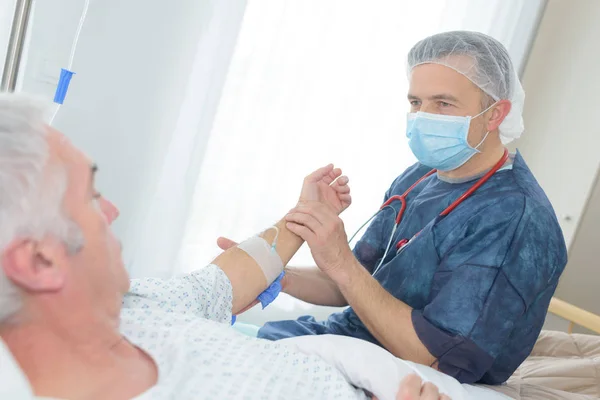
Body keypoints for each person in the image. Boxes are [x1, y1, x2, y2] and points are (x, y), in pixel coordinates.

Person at [0, 93, 457, 400]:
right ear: (39, 261)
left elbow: (221, 281)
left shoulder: (132, 304)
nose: (113, 210)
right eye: (90, 196)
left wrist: (301, 216)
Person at [221, 31, 568, 385]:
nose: (422, 117)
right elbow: (357, 284)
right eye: (416, 102)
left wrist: (340, 260)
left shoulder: (513, 217)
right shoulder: (420, 177)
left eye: (443, 104)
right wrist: (273, 274)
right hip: (343, 345)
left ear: (495, 115)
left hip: (403, 377)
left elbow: (438, 358)